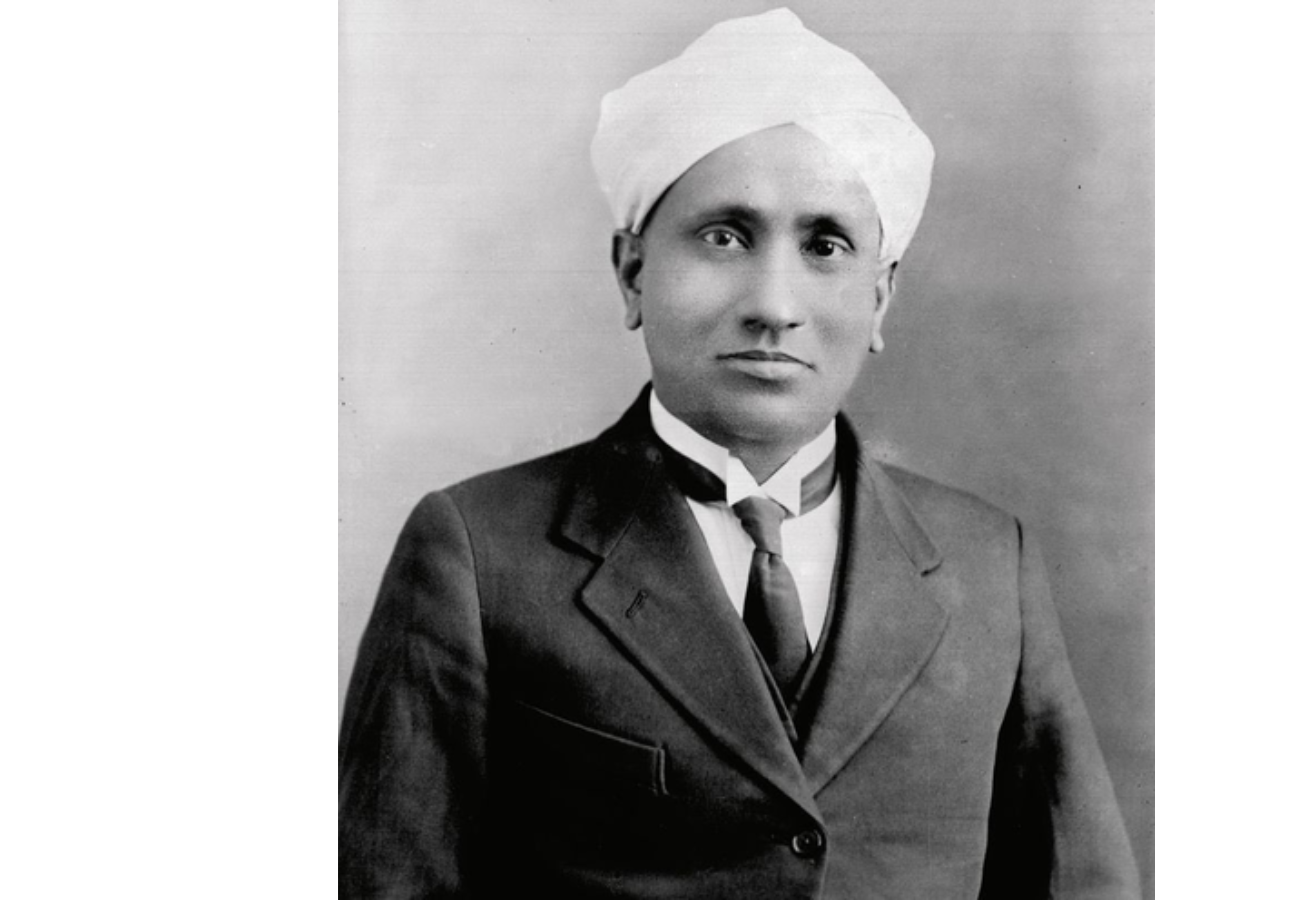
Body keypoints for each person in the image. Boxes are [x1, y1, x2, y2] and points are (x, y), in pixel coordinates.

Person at [339, 9, 1139, 899]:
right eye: (724, 237)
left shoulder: (987, 563)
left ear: (879, 299)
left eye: (825, 246)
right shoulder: (482, 552)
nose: (774, 305)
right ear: (632, 272)